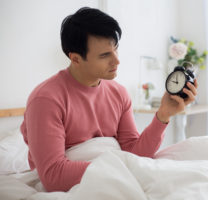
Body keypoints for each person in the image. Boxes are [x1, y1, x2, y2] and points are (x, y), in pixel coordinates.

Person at [20, 7, 198, 192]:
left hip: (115, 172)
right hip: (83, 184)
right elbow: (53, 176)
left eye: (115, 50)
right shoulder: (45, 100)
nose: (116, 61)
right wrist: (120, 167)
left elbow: (134, 153)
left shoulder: (118, 93)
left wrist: (163, 115)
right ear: (76, 58)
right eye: (105, 55)